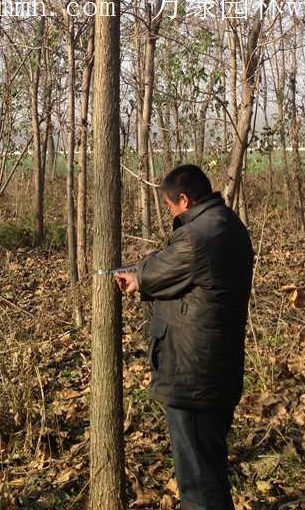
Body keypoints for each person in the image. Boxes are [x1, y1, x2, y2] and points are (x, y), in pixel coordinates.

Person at [115, 163, 254, 510]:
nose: (170, 213)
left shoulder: (197, 236)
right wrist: (143, 276)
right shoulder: (229, 224)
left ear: (184, 199)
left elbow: (166, 266)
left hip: (193, 377)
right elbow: (178, 270)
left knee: (199, 485)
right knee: (210, 471)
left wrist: (137, 277)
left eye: (170, 206)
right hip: (216, 371)